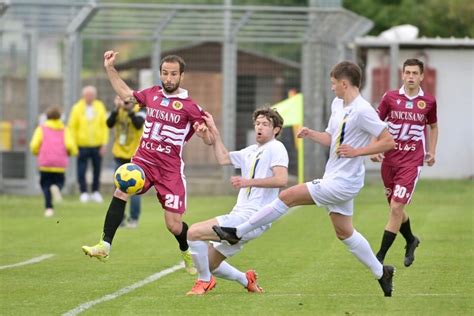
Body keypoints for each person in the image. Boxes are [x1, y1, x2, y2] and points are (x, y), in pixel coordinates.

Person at [213, 61, 398, 297]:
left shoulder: (363, 110)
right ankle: (382, 273)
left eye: (333, 84)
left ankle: (237, 231)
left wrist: (358, 152)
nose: (331, 88)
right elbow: (333, 139)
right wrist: (311, 134)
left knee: (288, 195)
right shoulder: (338, 104)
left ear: (344, 83)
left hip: (344, 181)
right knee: (344, 232)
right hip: (334, 175)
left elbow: (388, 141)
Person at [82, 52, 213, 275]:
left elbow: (210, 139)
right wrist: (109, 68)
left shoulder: (191, 107)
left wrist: (203, 133)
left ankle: (185, 250)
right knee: (122, 187)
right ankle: (105, 245)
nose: (168, 78)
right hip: (144, 160)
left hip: (170, 169)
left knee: (173, 224)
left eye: (173, 74)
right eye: (164, 73)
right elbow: (125, 94)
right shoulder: (151, 94)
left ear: (182, 76)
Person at [185, 107, 289, 295]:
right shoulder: (251, 150)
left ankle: (204, 282)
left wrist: (248, 181)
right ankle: (245, 279)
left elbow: (281, 179)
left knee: (193, 232)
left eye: (265, 124)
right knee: (208, 264)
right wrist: (214, 132)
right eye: (257, 123)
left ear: (276, 130)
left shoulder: (276, 147)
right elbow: (224, 158)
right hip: (239, 215)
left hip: (252, 217)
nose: (260, 127)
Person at [371, 58, 438, 267]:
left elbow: (434, 127)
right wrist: (375, 146)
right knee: (395, 208)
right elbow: (376, 123)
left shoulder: (428, 101)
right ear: (402, 75)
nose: (410, 77)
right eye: (407, 72)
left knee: (396, 207)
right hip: (389, 160)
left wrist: (432, 151)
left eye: (414, 73)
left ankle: (379, 256)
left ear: (421, 76)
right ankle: (411, 240)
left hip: (412, 161)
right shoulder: (390, 97)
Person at [30, 106, 78, 217]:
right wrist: (71, 152)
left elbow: (34, 145)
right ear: (60, 117)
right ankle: (57, 187)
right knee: (60, 182)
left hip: (45, 162)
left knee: (45, 185)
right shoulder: (64, 129)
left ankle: (48, 208)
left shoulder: (41, 128)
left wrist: (37, 152)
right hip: (60, 163)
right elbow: (70, 145)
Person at [106, 95, 146, 228]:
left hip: (135, 156)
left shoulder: (139, 109)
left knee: (134, 188)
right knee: (118, 188)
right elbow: (109, 123)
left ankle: (134, 218)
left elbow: (138, 123)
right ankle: (120, 218)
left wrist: (129, 110)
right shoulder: (118, 110)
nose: (125, 103)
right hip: (119, 154)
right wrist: (116, 109)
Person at [68, 85, 109, 203]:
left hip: (97, 145)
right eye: (87, 95)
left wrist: (104, 144)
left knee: (97, 169)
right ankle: (84, 192)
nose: (90, 97)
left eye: (92, 95)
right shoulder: (77, 108)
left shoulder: (100, 106)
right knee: (81, 169)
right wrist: (74, 145)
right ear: (83, 96)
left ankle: (96, 191)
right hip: (82, 145)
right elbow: (72, 128)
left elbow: (104, 126)